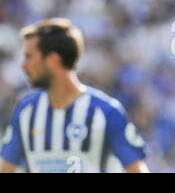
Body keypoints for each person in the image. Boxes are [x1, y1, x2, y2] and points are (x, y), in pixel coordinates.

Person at [0, 18, 150, 173]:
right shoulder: (26, 111)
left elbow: (137, 169)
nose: (24, 65)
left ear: (52, 60)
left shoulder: (107, 112)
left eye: (29, 57)